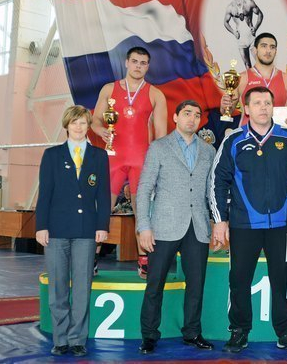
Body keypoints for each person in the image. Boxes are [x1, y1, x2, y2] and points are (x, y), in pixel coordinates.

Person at [210, 86, 287, 354]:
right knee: (239, 280)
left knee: (283, 281)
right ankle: (239, 331)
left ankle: (286, 333)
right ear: (246, 109)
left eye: (267, 103)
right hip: (244, 225)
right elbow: (218, 181)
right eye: (257, 103)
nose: (263, 108)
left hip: (283, 224)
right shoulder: (233, 141)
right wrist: (220, 220)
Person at [136, 100, 215, 354]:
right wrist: (143, 226)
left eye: (197, 115)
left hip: (198, 226)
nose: (192, 119)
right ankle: (149, 334)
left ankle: (192, 333)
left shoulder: (209, 151)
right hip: (163, 225)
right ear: (175, 117)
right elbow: (144, 188)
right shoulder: (159, 147)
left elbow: (211, 191)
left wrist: (216, 222)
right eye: (187, 113)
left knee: (196, 285)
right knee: (155, 283)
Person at [35, 105, 110, 357]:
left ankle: (78, 338)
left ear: (89, 126)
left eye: (83, 123)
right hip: (56, 230)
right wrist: (41, 226)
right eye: (74, 122)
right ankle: (60, 339)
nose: (79, 127)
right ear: (67, 125)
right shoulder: (52, 155)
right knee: (57, 287)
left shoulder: (99, 156)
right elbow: (44, 194)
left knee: (81, 287)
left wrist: (102, 226)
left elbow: (103, 195)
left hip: (86, 231)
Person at [92, 46, 167, 278]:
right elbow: (95, 120)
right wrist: (102, 131)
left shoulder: (155, 94)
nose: (138, 66)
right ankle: (90, 259)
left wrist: (158, 165)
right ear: (126, 62)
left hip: (141, 160)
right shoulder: (109, 89)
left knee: (141, 211)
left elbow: (161, 136)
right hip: (113, 157)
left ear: (148, 66)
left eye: (143, 63)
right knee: (101, 210)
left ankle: (144, 260)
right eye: (135, 61)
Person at [220, 32, 287, 128]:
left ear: (276, 51)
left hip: (279, 135)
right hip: (248, 135)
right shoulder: (242, 78)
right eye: (264, 46)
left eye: (272, 47)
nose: (268, 51)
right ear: (255, 50)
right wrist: (224, 106)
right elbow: (228, 111)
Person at [224, 0, 263, 69]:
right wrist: (233, 32)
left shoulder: (249, 2)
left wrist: (255, 27)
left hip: (251, 37)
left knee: (260, 62)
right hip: (241, 39)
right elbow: (225, 22)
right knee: (247, 66)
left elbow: (260, 14)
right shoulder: (230, 7)